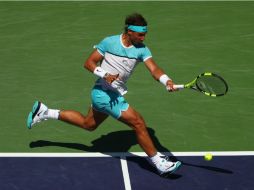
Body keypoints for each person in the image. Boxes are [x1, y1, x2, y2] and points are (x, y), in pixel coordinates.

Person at [27, 13, 181, 176]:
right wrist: (104, 74)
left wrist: (167, 81)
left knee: (89, 124)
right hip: (104, 94)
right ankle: (159, 163)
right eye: (140, 34)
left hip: (111, 94)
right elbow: (89, 63)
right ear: (129, 31)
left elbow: (154, 69)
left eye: (145, 34)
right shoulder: (109, 42)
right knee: (138, 123)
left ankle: (45, 112)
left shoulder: (142, 50)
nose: (143, 38)